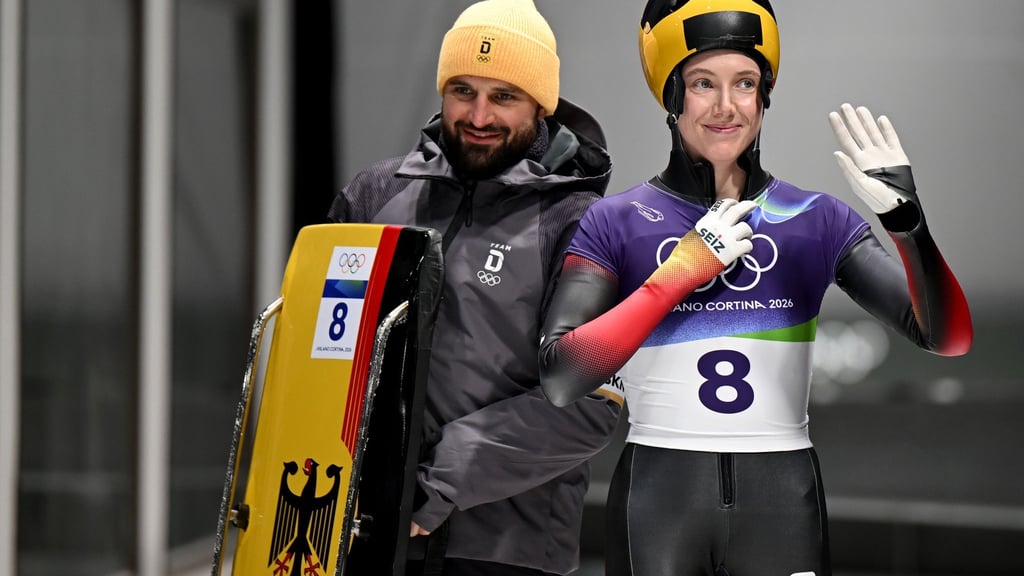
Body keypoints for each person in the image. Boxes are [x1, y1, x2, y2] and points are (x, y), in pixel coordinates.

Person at [537, 1, 974, 575]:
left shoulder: (817, 219)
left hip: (782, 505)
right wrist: (678, 274)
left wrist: (909, 227)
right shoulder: (616, 221)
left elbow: (947, 338)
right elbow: (561, 378)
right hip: (659, 502)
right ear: (671, 98)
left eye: (745, 82)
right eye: (702, 84)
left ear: (764, 95)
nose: (725, 106)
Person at [327, 1, 621, 574]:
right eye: (462, 90)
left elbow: (590, 401)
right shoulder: (373, 196)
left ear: (542, 104)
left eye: (504, 96)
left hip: (507, 547)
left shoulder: (583, 223)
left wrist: (441, 481)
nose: (479, 114)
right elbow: (320, 348)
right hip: (362, 527)